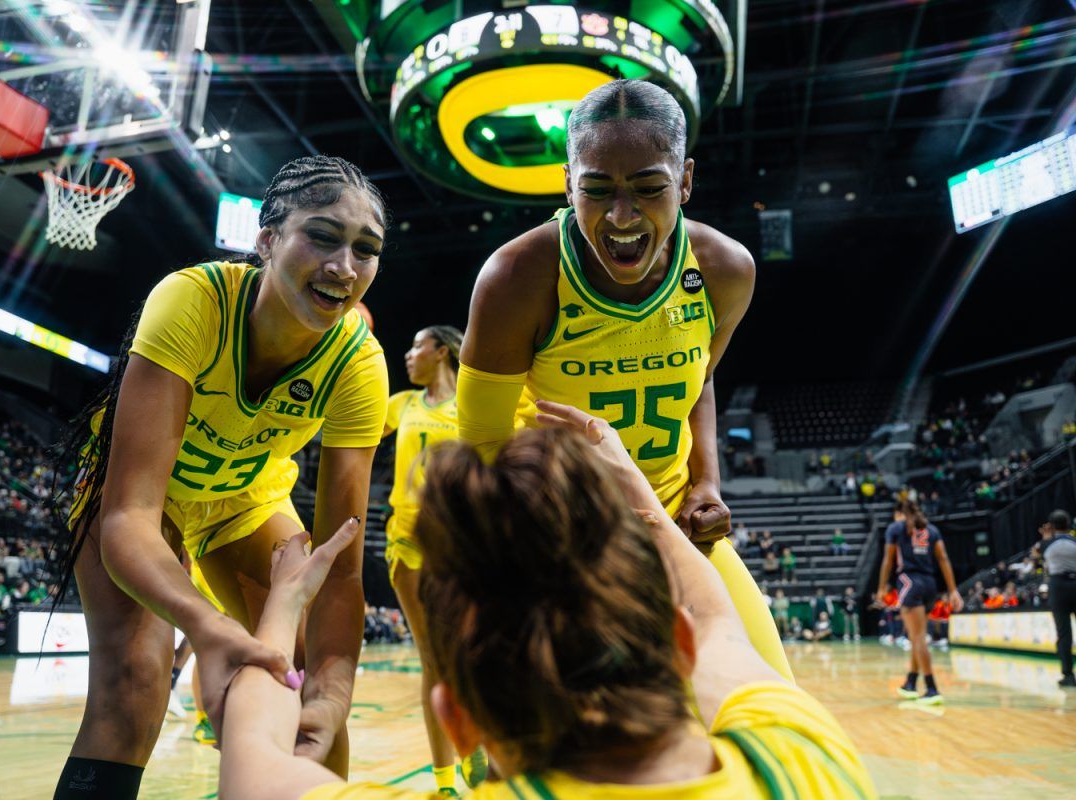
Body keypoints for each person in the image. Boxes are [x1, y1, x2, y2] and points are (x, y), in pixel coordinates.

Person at [215, 403, 877, 799]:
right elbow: (716, 620)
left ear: (459, 721)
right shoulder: (799, 752)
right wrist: (636, 489)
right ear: (677, 647)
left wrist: (285, 601)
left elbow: (252, 756)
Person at [50, 156, 391, 799]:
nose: (345, 267)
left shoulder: (359, 365)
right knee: (136, 682)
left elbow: (340, 566)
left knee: (305, 690)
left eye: (365, 249)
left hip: (247, 500)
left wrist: (334, 690)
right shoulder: (192, 300)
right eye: (322, 235)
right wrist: (209, 628)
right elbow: (129, 517)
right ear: (266, 240)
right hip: (148, 501)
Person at [456, 79, 790, 681]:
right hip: (558, 534)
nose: (622, 215)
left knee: (771, 702)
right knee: (545, 737)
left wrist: (706, 483)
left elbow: (700, 377)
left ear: (685, 180)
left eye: (648, 188)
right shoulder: (516, 276)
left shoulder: (725, 269)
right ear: (567, 183)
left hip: (670, 524)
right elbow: (482, 438)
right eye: (598, 190)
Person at [380, 325, 486, 796]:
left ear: (441, 351)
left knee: (473, 652)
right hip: (409, 544)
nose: (408, 354)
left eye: (416, 344)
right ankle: (446, 780)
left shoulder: (475, 403)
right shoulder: (400, 405)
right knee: (434, 658)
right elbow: (346, 426)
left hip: (465, 546)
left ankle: (479, 745)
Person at [878, 505, 962, 703]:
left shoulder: (896, 528)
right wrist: (952, 590)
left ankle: (932, 688)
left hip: (909, 581)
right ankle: (911, 682)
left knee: (917, 638)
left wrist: (882, 587)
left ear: (900, 514)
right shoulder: (932, 530)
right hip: (930, 585)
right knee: (917, 636)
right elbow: (943, 558)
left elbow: (887, 562)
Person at [1038, 509, 1076, 687]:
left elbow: (1038, 554)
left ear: (1052, 526)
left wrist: (1046, 536)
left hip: (1058, 587)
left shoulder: (1046, 544)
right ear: (1069, 525)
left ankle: (1068, 675)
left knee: (1064, 633)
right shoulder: (1074, 541)